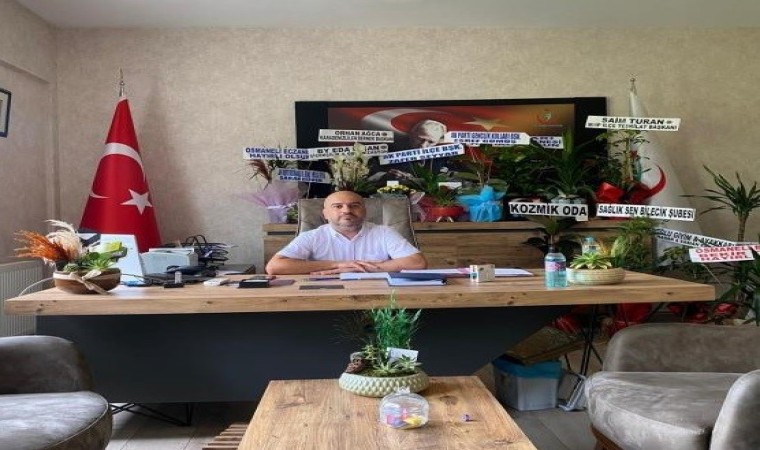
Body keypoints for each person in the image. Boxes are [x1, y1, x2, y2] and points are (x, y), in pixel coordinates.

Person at [265, 190, 427, 275]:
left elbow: (417, 263)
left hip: (378, 295)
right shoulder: (312, 236)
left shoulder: (384, 233)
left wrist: (361, 268)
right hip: (325, 295)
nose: (347, 210)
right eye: (338, 206)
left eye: (354, 205)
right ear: (325, 214)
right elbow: (274, 267)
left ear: (365, 211)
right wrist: (337, 265)